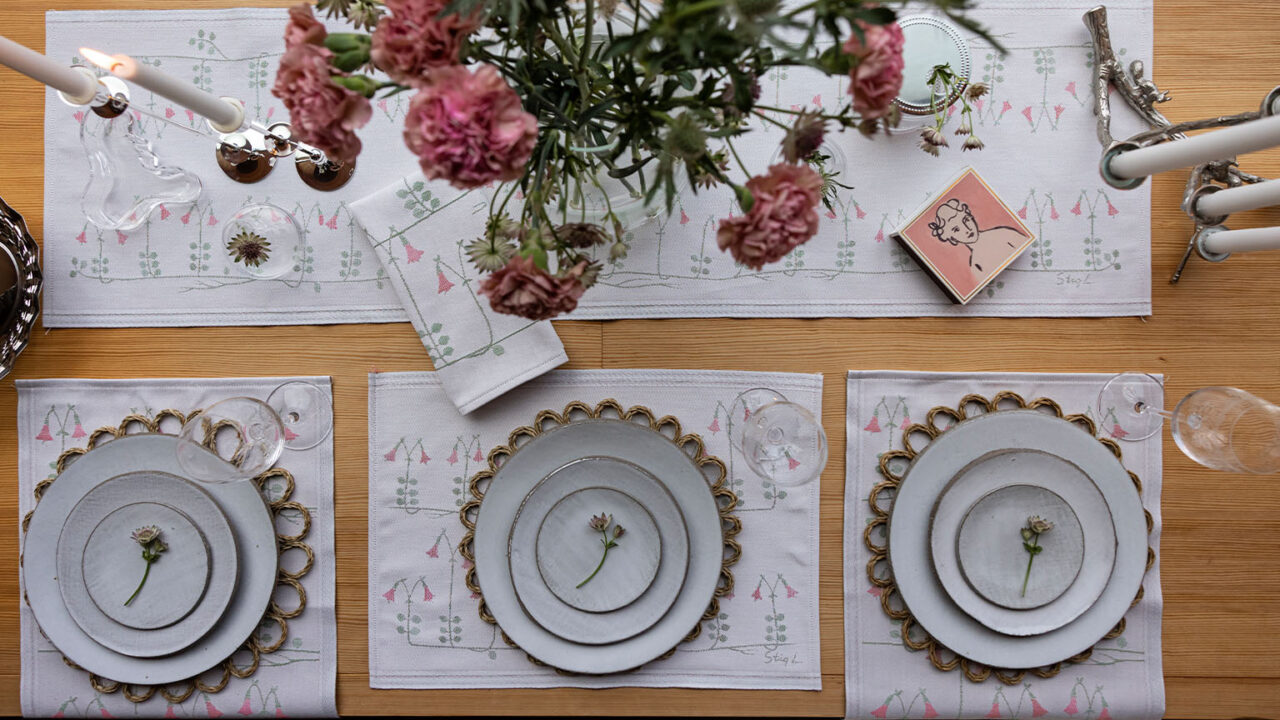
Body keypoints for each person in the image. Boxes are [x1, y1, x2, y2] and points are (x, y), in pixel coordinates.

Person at [928, 198, 1029, 283]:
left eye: (966, 220)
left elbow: (1024, 244)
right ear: (953, 239)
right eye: (956, 229)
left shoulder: (1003, 233)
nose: (966, 229)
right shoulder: (976, 265)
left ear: (972, 217)